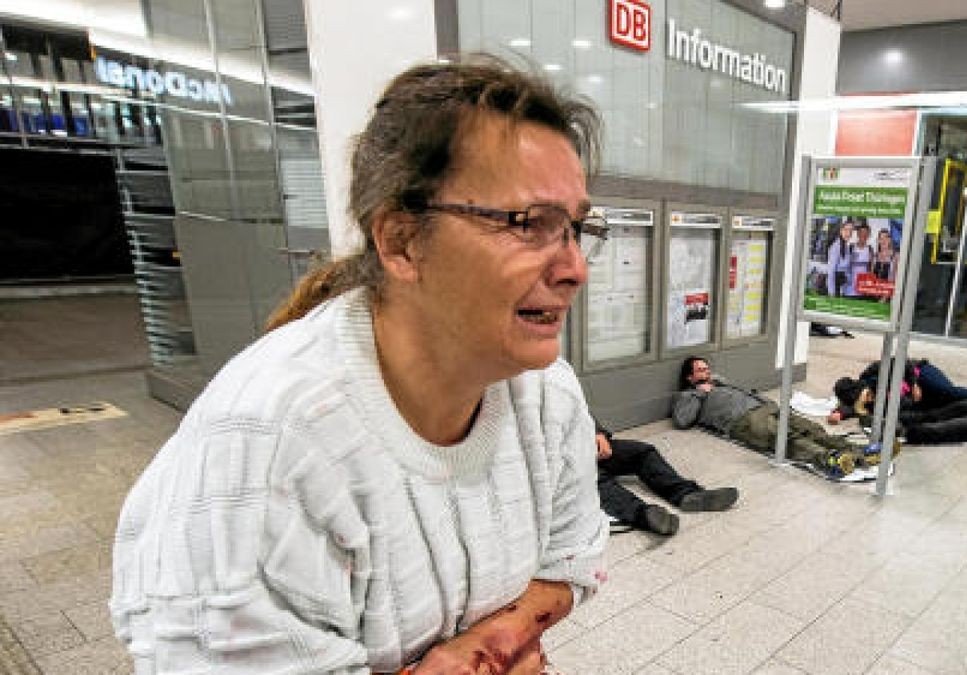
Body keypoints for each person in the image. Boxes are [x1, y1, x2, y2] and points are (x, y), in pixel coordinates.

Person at [109, 57, 611, 674]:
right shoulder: (269, 445)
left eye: (577, 228)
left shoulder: (547, 396)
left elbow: (571, 558)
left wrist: (482, 650)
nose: (574, 268)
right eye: (529, 223)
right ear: (401, 241)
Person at [671, 356, 869, 477]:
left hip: (764, 407)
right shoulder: (688, 395)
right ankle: (828, 459)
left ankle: (854, 451)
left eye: (707, 368)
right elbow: (682, 420)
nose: (707, 372)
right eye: (701, 370)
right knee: (787, 438)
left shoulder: (719, 382)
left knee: (811, 428)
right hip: (743, 420)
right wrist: (700, 392)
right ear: (690, 377)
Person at [595, 423, 738, 536]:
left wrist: (600, 434)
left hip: (588, 445)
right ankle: (644, 515)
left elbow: (583, 411)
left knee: (642, 452)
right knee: (595, 478)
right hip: (573, 461)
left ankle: (685, 494)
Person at [828, 358, 967, 425]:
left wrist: (914, 384)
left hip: (919, 374)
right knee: (947, 405)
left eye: (868, 394)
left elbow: (902, 362)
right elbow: (849, 407)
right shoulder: (863, 401)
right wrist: (838, 414)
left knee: (947, 391)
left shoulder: (873, 371)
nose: (870, 398)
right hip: (916, 398)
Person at [846, 222, 875, 296]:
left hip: (863, 289)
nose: (863, 235)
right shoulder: (850, 248)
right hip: (849, 288)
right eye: (861, 232)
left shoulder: (870, 249)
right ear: (858, 234)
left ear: (869, 235)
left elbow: (871, 270)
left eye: (866, 233)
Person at [825, 221, 853, 296]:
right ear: (841, 231)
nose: (849, 233)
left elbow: (846, 268)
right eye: (846, 230)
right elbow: (831, 272)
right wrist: (832, 293)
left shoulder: (845, 246)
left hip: (842, 285)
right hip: (835, 286)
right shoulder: (836, 247)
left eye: (851, 230)